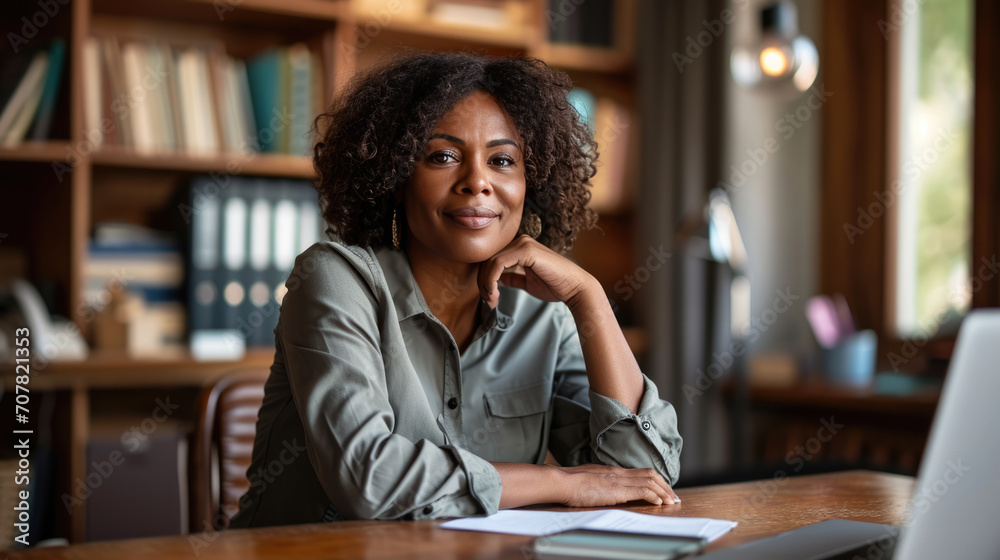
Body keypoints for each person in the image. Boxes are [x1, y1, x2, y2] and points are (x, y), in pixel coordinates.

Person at [228, 51, 683, 528]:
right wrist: (561, 482)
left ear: (532, 182)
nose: (477, 183)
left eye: (503, 160)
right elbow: (370, 481)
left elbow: (643, 478)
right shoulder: (336, 280)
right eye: (443, 156)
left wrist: (588, 295)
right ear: (396, 176)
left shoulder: (544, 312)